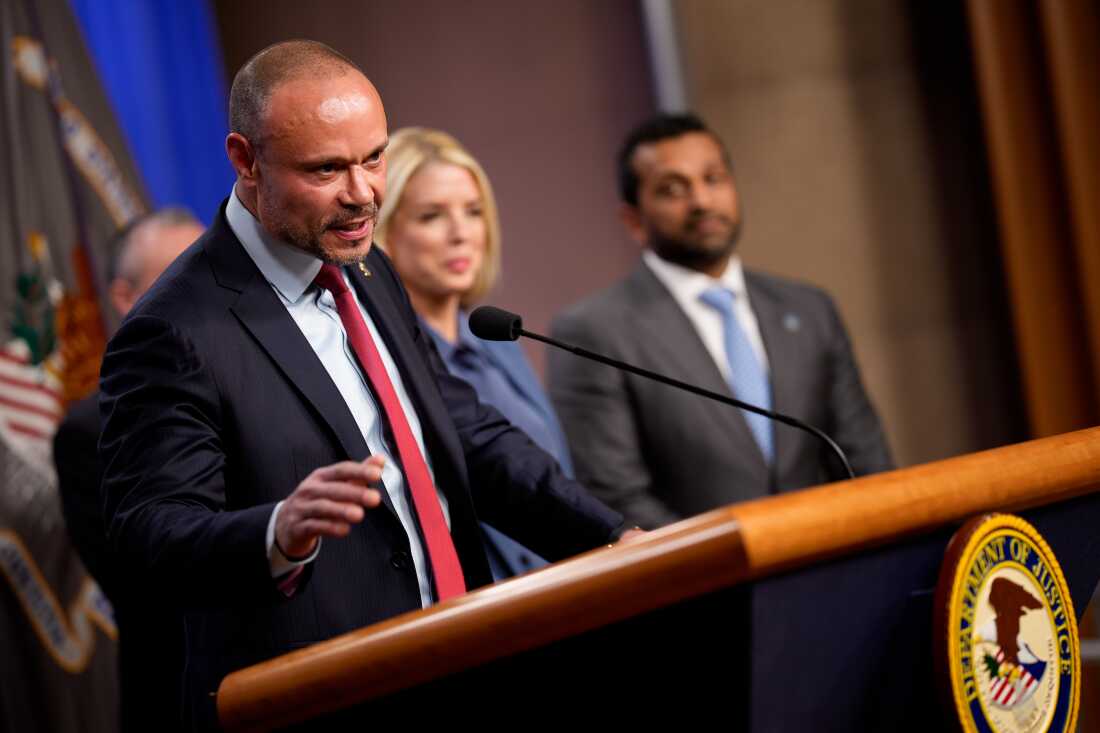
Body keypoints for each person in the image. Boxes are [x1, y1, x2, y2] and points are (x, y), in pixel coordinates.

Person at [96, 40, 630, 729]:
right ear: (245, 160)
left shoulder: (368, 267)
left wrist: (614, 539)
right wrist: (275, 533)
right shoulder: (173, 330)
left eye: (373, 157)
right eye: (326, 169)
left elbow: (464, 433)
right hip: (325, 698)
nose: (364, 193)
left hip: (462, 658)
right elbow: (150, 536)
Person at [548, 113, 894, 530]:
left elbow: (866, 464)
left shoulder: (809, 310)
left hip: (835, 567)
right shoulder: (594, 332)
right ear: (633, 220)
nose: (702, 201)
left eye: (713, 179)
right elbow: (617, 495)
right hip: (708, 586)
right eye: (673, 189)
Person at [375, 127, 575, 578]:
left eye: (473, 212)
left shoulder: (496, 341)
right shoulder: (386, 360)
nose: (460, 233)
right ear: (384, 231)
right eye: (431, 216)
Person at [53, 208, 204, 731]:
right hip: (181, 699)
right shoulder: (89, 431)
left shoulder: (256, 390)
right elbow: (148, 587)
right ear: (124, 297)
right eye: (177, 276)